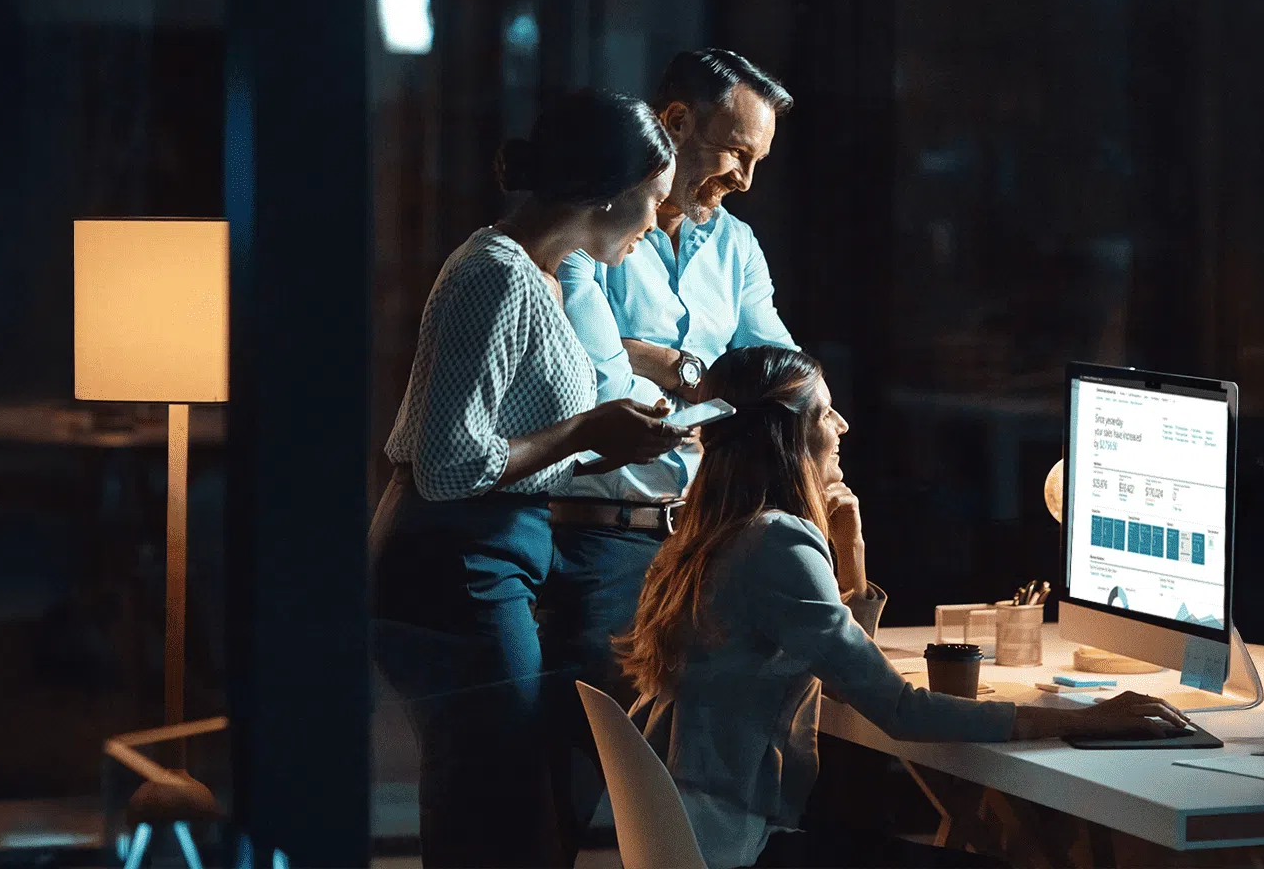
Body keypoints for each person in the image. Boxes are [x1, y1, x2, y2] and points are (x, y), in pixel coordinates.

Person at [619, 346, 1192, 869]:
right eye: (824, 414)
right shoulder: (775, 541)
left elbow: (841, 678)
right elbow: (902, 711)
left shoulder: (712, 532)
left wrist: (852, 555)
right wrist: (1087, 719)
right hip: (741, 847)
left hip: (691, 836)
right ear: (786, 438)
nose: (842, 426)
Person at [370, 89, 694, 868]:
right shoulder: (494, 274)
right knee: (491, 801)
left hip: (490, 561)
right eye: (652, 201)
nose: (655, 223)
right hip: (451, 567)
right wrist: (587, 429)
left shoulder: (548, 278)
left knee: (492, 790)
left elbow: (514, 436)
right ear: (611, 193)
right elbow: (449, 464)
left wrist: (606, 443)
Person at [551, 49, 798, 708]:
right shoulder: (588, 232)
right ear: (679, 121)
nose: (745, 179)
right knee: (597, 767)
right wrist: (691, 371)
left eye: (758, 162)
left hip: (702, 543)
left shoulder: (736, 245)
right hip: (604, 540)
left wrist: (655, 359)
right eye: (737, 153)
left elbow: (781, 378)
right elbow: (594, 380)